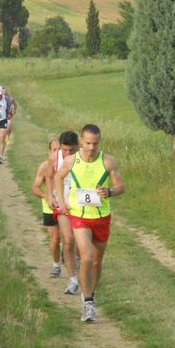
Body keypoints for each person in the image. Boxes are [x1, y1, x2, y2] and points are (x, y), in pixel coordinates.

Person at [54, 124, 125, 322]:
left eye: (95, 143)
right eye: (87, 143)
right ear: (81, 142)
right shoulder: (71, 161)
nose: (91, 147)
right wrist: (62, 201)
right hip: (79, 215)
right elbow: (58, 177)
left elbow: (121, 186)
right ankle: (88, 303)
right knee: (86, 257)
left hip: (101, 216)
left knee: (96, 261)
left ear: (99, 142)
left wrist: (110, 192)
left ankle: (90, 294)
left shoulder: (107, 162)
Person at [47, 131, 80, 295]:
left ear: (77, 146)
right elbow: (50, 176)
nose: (67, 154)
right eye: (64, 150)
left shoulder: (85, 157)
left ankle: (77, 262)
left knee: (81, 244)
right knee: (68, 240)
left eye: (71, 151)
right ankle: (73, 280)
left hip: (81, 204)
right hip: (63, 202)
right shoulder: (55, 157)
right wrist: (49, 195)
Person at [32, 139, 62, 278]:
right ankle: (56, 265)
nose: (57, 153)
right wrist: (46, 196)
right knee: (55, 238)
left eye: (59, 150)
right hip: (50, 207)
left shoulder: (69, 165)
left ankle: (67, 253)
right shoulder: (44, 167)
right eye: (54, 150)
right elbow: (35, 187)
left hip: (67, 206)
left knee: (69, 239)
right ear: (49, 151)